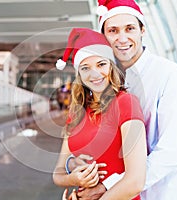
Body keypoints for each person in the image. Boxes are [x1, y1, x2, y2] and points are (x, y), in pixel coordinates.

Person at [66, 0, 177, 199]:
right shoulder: (103, 78)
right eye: (113, 31)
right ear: (104, 38)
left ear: (142, 30)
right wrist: (74, 167)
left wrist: (109, 186)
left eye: (130, 28)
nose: (122, 38)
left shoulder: (169, 74)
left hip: (160, 193)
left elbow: (170, 152)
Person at [53, 27, 147, 200]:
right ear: (79, 74)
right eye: (85, 68)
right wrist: (73, 178)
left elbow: (136, 181)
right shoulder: (76, 111)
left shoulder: (126, 103)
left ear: (111, 66)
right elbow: (57, 174)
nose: (94, 74)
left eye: (101, 64)